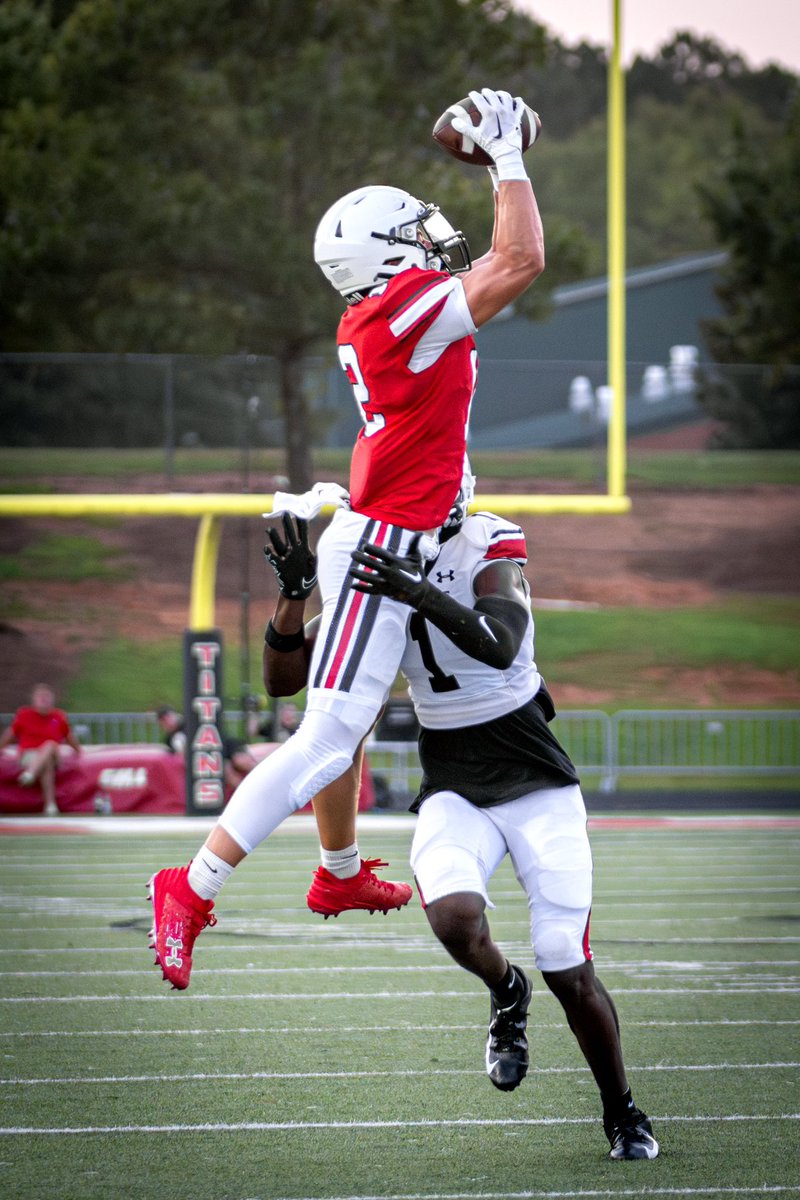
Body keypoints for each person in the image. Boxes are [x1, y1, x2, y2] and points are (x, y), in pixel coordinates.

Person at [147, 87, 546, 991]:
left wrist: (499, 171)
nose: (431, 239)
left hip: (408, 528)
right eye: (414, 230)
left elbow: (497, 260)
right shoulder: (400, 309)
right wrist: (508, 160)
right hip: (387, 544)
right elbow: (519, 258)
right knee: (326, 737)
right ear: (387, 253)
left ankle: (337, 874)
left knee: (348, 722)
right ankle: (192, 886)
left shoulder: (389, 308)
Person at [264, 500, 659, 1163]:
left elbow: (501, 644)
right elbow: (282, 679)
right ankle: (508, 992)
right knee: (452, 917)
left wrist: (413, 589)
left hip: (535, 780)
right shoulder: (378, 550)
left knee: (566, 957)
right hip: (453, 781)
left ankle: (622, 1111)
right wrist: (293, 595)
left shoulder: (487, 538)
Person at [0, 683, 81, 815]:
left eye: (47, 697)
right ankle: (50, 805)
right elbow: (10, 734)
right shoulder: (24, 714)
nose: (44, 700)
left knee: (50, 744)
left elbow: (69, 737)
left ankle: (30, 773)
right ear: (34, 699)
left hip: (53, 755)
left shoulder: (58, 716)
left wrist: (79, 751)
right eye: (41, 697)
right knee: (46, 764)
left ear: (52, 699)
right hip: (30, 755)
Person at [156, 704, 257, 794]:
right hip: (211, 756)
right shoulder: (171, 738)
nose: (168, 722)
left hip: (226, 746)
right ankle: (249, 793)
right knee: (226, 769)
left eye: (168, 718)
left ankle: (264, 781)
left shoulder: (190, 722)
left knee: (241, 761)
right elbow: (180, 754)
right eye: (164, 721)